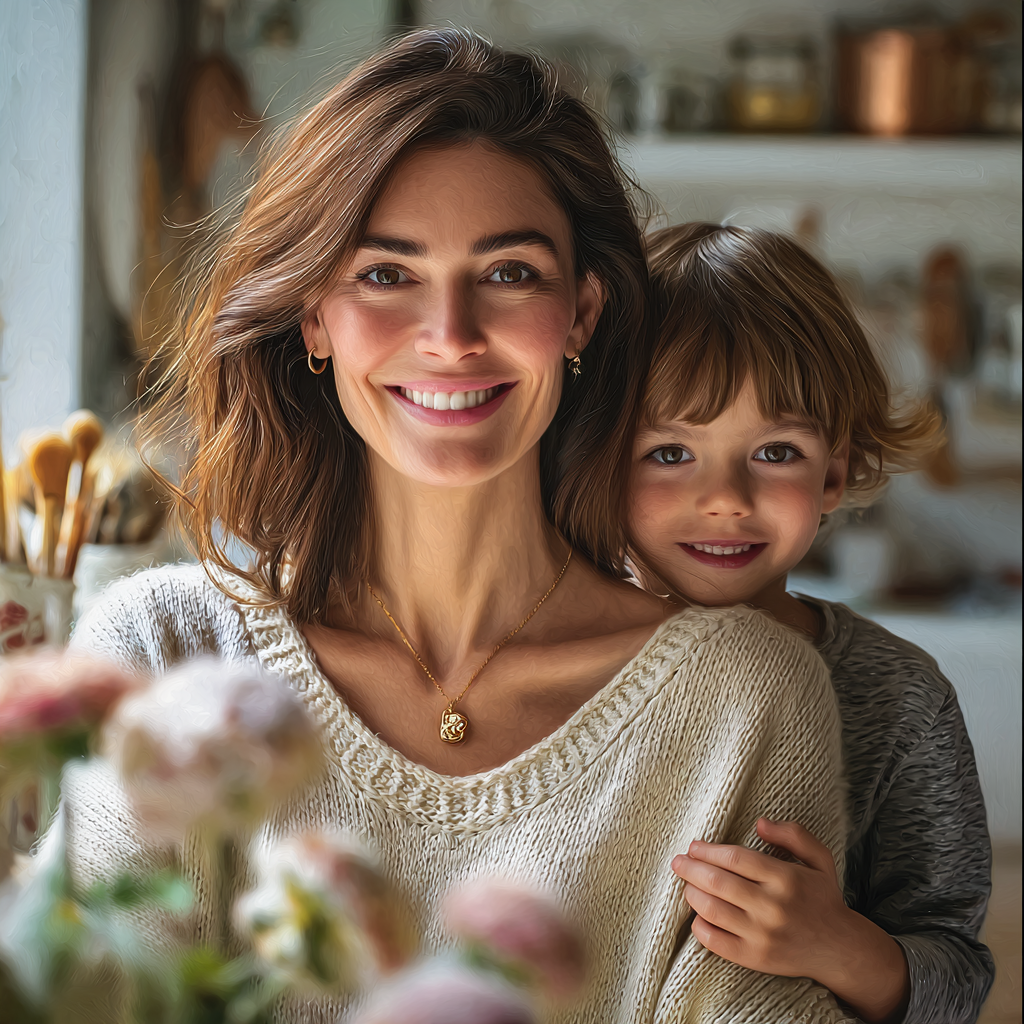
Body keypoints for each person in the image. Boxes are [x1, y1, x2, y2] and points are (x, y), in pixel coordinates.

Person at [67, 33, 854, 1022]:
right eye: (386, 275)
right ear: (314, 318)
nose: (450, 334)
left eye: (511, 272)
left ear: (582, 313)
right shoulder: (154, 655)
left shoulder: (749, 700)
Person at [629, 221, 994, 1024]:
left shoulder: (900, 698)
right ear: (596, 463)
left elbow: (957, 972)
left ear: (834, 472)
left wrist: (835, 944)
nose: (724, 496)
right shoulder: (550, 662)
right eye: (668, 452)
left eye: (775, 452)